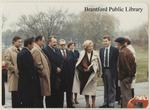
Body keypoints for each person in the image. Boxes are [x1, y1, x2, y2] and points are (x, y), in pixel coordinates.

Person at [72, 40, 101, 108]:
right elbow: (78, 64)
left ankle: (93, 103)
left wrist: (91, 70)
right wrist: (83, 70)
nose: (91, 48)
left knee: (93, 91)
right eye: (89, 47)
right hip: (84, 75)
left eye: (92, 46)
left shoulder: (96, 53)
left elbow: (98, 64)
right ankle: (87, 103)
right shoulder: (82, 53)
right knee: (86, 90)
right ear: (86, 47)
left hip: (93, 75)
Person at [115, 37, 136, 108]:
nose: (116, 45)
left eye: (117, 44)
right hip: (129, 77)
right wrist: (132, 75)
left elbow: (125, 66)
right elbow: (134, 65)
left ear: (119, 44)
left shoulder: (122, 52)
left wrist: (122, 77)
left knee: (125, 97)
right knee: (128, 96)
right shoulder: (128, 50)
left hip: (125, 78)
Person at [43, 36, 64, 108]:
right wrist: (55, 68)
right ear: (49, 42)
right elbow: (48, 62)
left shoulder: (58, 50)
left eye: (56, 42)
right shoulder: (45, 50)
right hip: (51, 75)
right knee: (51, 95)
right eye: (54, 42)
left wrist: (60, 68)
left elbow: (62, 60)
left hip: (59, 75)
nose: (55, 43)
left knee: (59, 94)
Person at [17, 37, 38, 107]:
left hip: (23, 81)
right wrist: (34, 78)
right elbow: (29, 69)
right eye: (33, 44)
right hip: (28, 82)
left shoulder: (21, 52)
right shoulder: (26, 53)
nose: (33, 46)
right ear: (29, 44)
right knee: (28, 102)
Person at [31, 35, 51, 108]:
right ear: (38, 41)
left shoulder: (38, 49)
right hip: (40, 78)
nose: (43, 42)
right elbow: (37, 64)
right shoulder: (36, 50)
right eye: (43, 41)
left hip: (42, 77)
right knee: (39, 98)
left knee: (41, 98)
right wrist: (44, 73)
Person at [99, 35, 119, 108]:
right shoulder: (101, 50)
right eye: (104, 41)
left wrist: (117, 71)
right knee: (106, 87)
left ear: (109, 41)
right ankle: (105, 102)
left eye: (106, 41)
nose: (105, 42)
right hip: (104, 71)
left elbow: (118, 61)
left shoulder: (115, 50)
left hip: (112, 71)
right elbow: (100, 61)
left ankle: (111, 103)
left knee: (112, 87)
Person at [4, 36, 22, 108]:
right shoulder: (9, 50)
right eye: (19, 42)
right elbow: (7, 62)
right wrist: (14, 69)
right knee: (15, 97)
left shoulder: (20, 50)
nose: (20, 43)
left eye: (21, 42)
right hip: (14, 77)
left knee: (20, 97)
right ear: (14, 42)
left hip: (21, 77)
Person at [57, 39, 75, 108]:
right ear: (59, 45)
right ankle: (60, 105)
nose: (63, 46)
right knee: (60, 93)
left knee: (69, 91)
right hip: (60, 76)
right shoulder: (57, 52)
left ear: (65, 44)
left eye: (64, 44)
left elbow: (73, 63)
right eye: (61, 45)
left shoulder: (70, 52)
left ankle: (69, 105)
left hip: (69, 76)